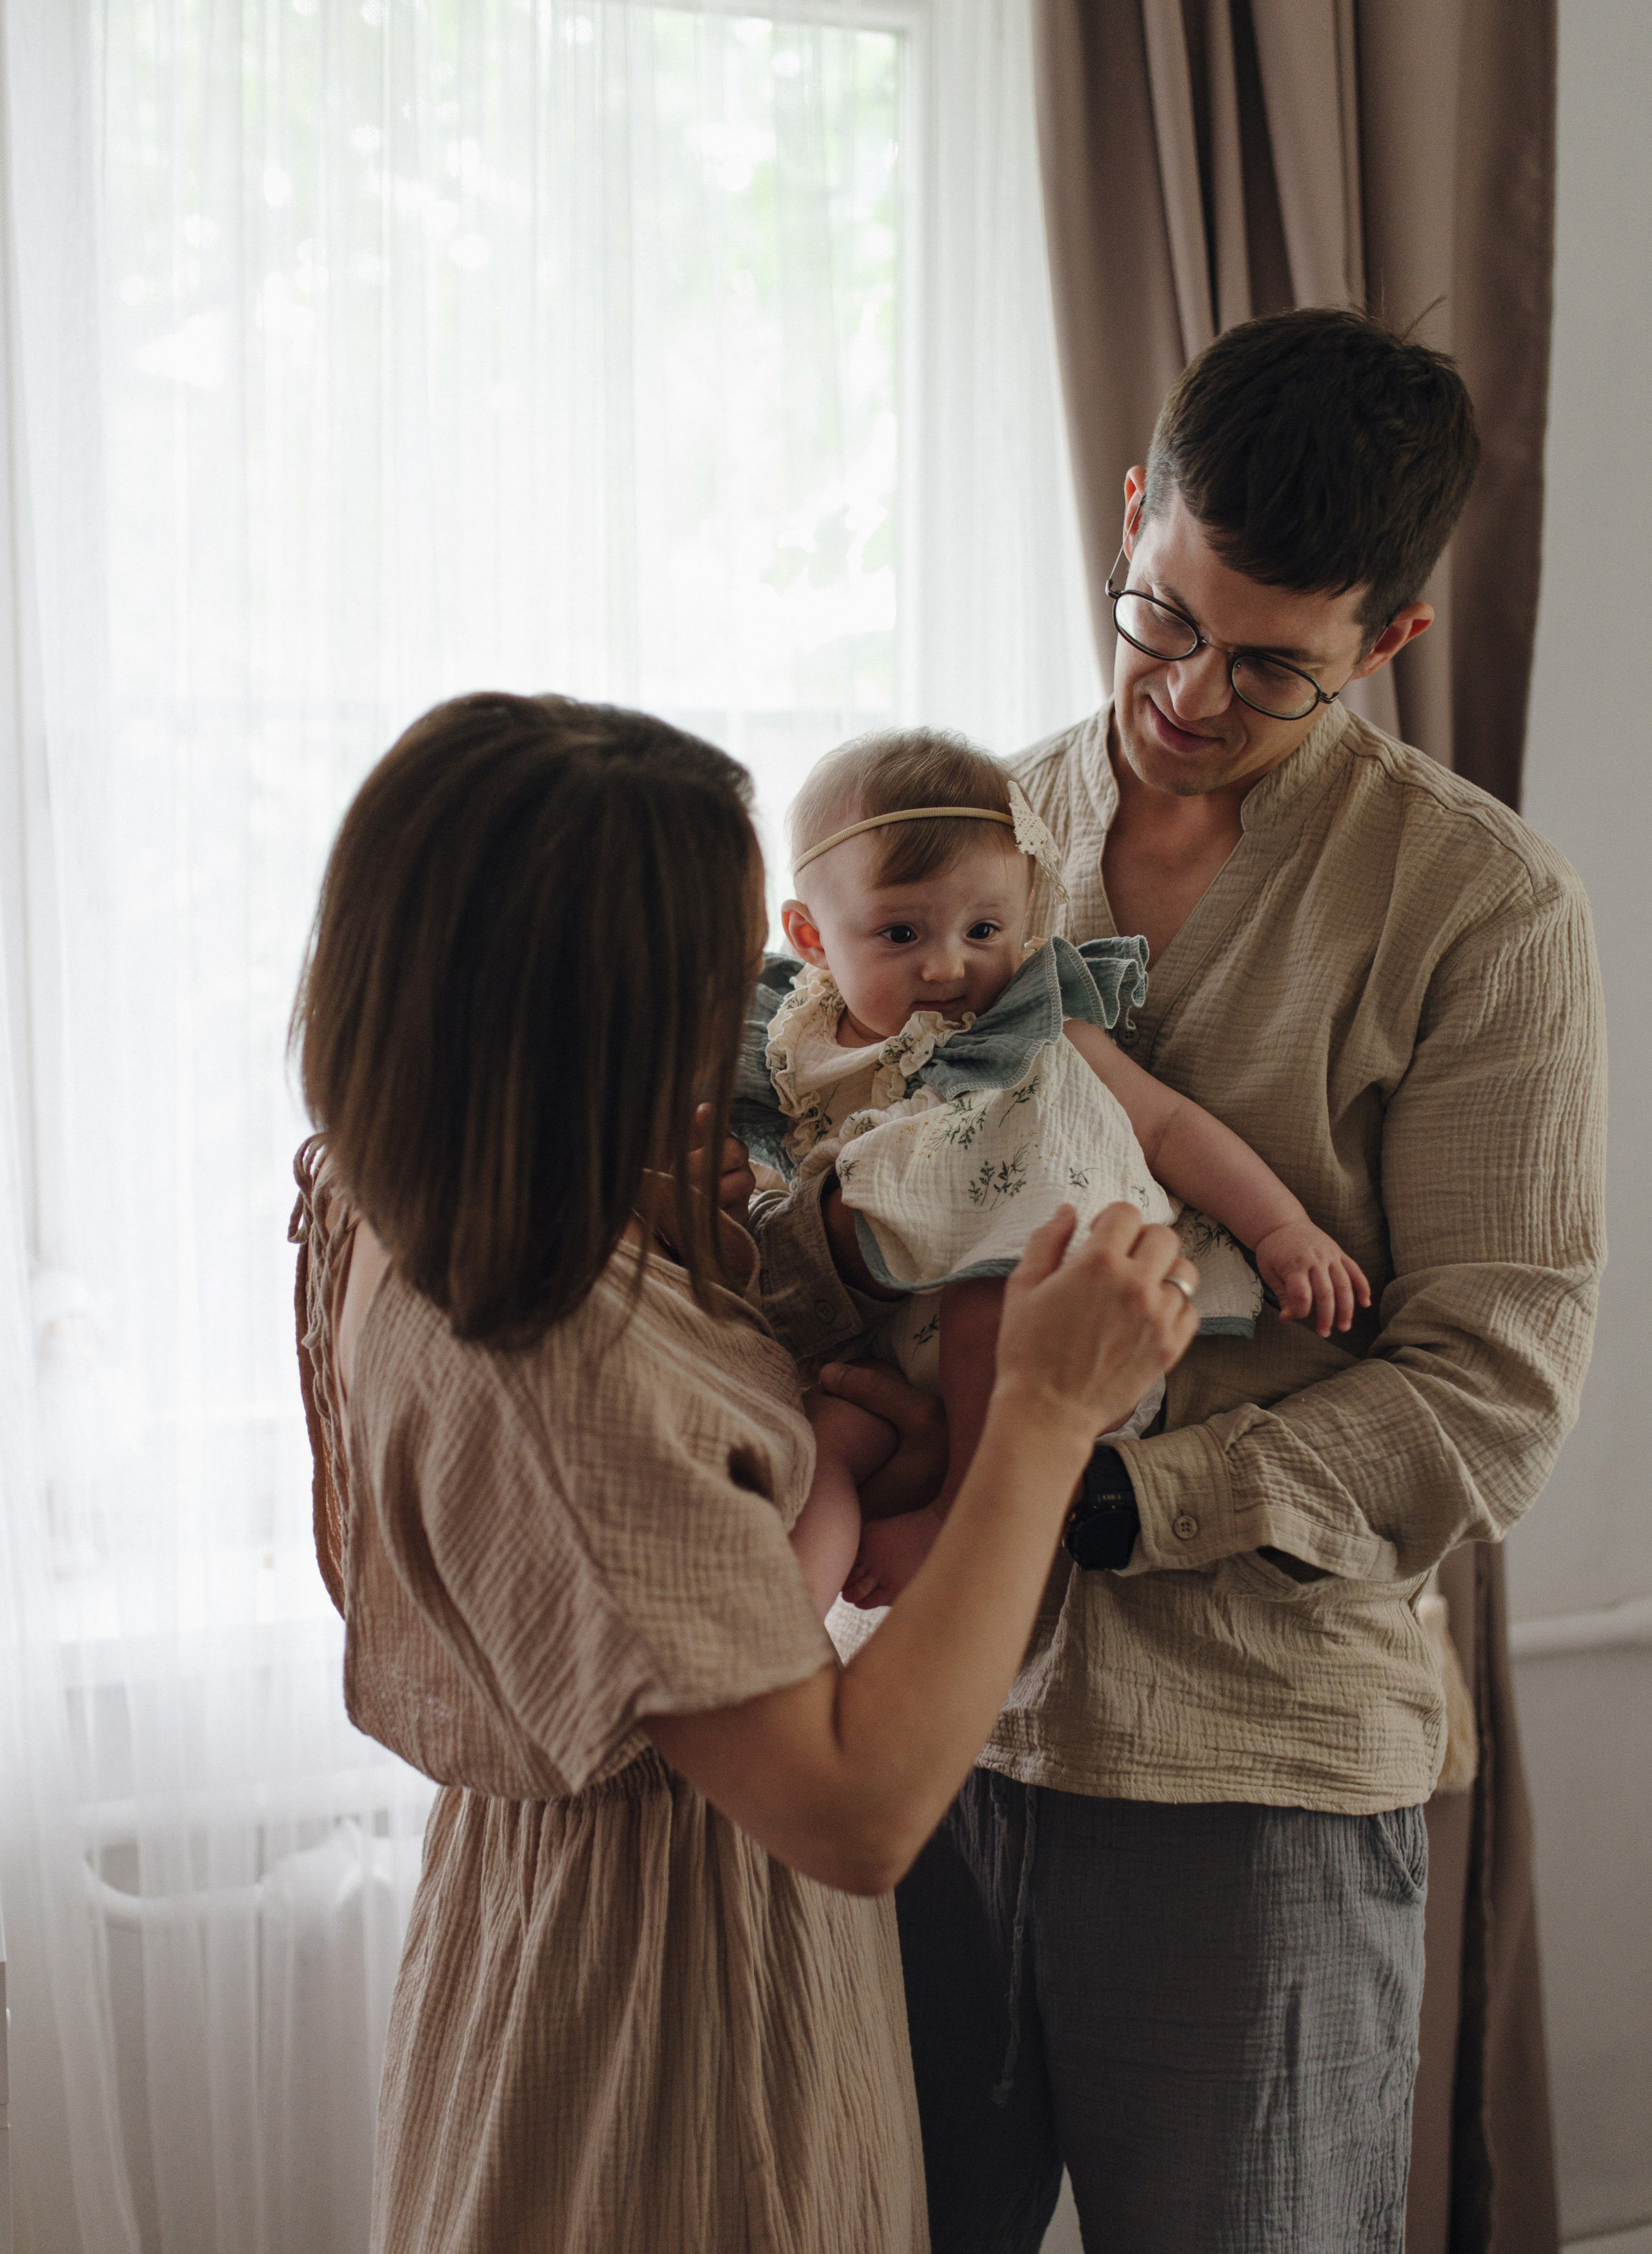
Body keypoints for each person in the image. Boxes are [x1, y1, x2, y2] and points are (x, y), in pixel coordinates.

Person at [750, 308, 1608, 2254]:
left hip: (1255, 1778)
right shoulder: (954, 838)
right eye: (1159, 618)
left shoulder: (1484, 914)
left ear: (1386, 639)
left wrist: (1109, 1491)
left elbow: (1494, 1392)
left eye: (1271, 667)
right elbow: (835, 1189)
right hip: (922, 1744)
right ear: (1134, 516)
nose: (1188, 694)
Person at [287, 690, 1199, 2254]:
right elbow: (851, 1810)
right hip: (671, 2020)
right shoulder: (546, 1340)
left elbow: (656, 1556)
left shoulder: (388, 1201)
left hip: (545, 1946)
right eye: (715, 985)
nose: (747, 1021)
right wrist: (1041, 1417)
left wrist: (784, 1379)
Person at [735, 726, 1367, 1615]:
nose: (949, 963)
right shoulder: (793, 1040)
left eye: (984, 928)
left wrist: (1280, 1228)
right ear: (810, 934)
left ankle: (965, 1512)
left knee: (993, 1263)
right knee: (817, 1450)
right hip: (882, 1347)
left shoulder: (1038, 1027)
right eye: (901, 932)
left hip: (1049, 1338)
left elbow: (1171, 1127)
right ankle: (774, 1654)